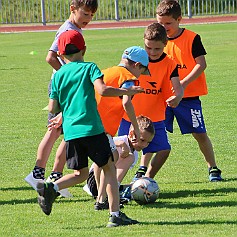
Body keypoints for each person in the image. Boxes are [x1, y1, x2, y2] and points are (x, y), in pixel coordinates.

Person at [36, 30, 144, 227]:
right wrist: (126, 90)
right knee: (109, 168)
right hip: (93, 129)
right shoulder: (90, 68)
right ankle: (115, 215)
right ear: (84, 49)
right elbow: (102, 90)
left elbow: (53, 107)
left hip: (71, 132)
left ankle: (51, 186)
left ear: (60, 54)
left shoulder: (59, 75)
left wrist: (68, 106)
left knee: (81, 174)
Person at [25, 0, 99, 197]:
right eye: (85, 14)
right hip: (64, 88)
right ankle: (39, 175)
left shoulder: (73, 28)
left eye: (91, 15)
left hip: (65, 87)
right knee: (57, 131)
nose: (88, 19)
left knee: (65, 132)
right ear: (72, 9)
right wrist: (69, 76)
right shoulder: (67, 30)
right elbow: (50, 57)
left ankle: (53, 177)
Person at [156, 0, 223, 181]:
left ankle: (213, 168)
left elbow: (201, 64)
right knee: (153, 130)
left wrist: (182, 85)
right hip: (164, 97)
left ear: (179, 19)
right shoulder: (156, 40)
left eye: (168, 23)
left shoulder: (192, 38)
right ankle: (142, 169)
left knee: (199, 133)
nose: (164, 27)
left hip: (189, 97)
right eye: (160, 23)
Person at [118, 22, 183, 183]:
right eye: (148, 48)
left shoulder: (170, 64)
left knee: (164, 149)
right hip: (130, 116)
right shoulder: (135, 61)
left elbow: (178, 87)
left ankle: (144, 181)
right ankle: (112, 183)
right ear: (144, 42)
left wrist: (178, 96)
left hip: (155, 118)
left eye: (157, 49)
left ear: (165, 45)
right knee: (123, 151)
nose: (152, 52)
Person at [84, 115, 155, 209]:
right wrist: (120, 144)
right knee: (128, 157)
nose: (145, 145)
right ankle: (107, 196)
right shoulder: (121, 141)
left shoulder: (135, 155)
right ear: (131, 134)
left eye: (148, 142)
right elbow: (102, 142)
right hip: (94, 181)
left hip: (107, 183)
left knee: (136, 185)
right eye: (142, 140)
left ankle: (113, 193)